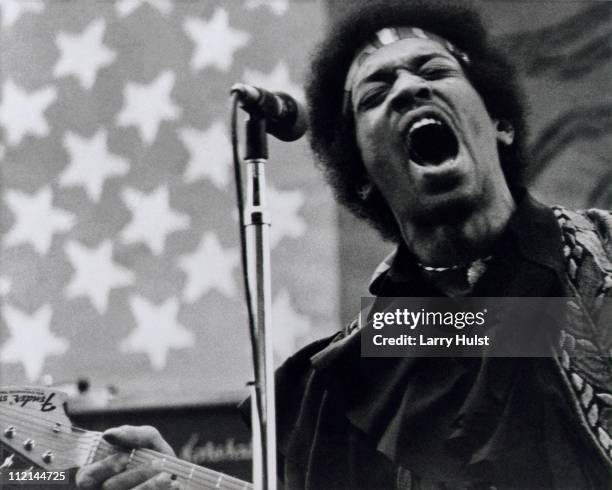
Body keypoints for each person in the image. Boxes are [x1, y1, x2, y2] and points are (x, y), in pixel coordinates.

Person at [76, 1, 612, 489]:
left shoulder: (602, 251)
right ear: (362, 177)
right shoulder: (338, 383)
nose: (407, 89)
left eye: (435, 70)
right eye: (376, 95)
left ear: (500, 123)